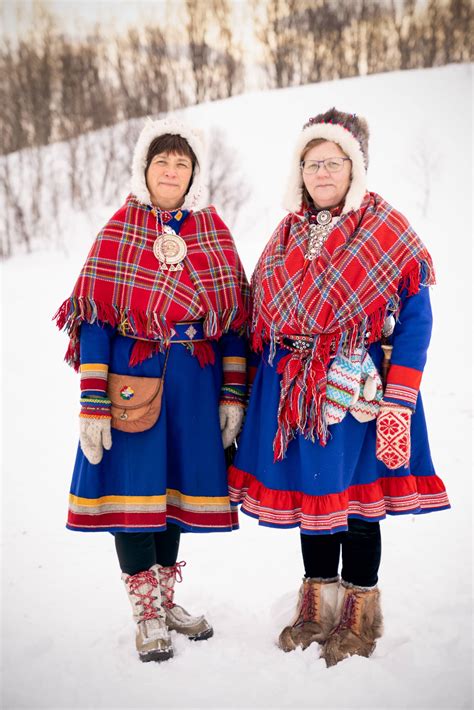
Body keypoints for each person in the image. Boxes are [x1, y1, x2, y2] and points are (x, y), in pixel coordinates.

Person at [228, 108, 450, 666]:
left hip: (361, 396)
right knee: (315, 498)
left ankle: (358, 616)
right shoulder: (285, 236)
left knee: (357, 505)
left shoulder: (385, 228)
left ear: (355, 168)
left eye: (334, 162)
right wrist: (251, 395)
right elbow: (261, 315)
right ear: (298, 171)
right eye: (312, 163)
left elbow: (418, 320)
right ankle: (316, 604)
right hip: (296, 393)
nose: (322, 173)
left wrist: (400, 401)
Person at [55, 118, 249, 663]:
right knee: (135, 492)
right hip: (131, 380)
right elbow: (93, 319)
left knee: (174, 495)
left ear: (195, 173)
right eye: (162, 161)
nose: (171, 170)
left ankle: (165, 601)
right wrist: (92, 401)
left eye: (182, 163)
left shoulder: (213, 231)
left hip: (194, 381)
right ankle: (145, 612)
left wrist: (233, 393)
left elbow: (237, 317)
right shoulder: (119, 230)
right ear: (145, 168)